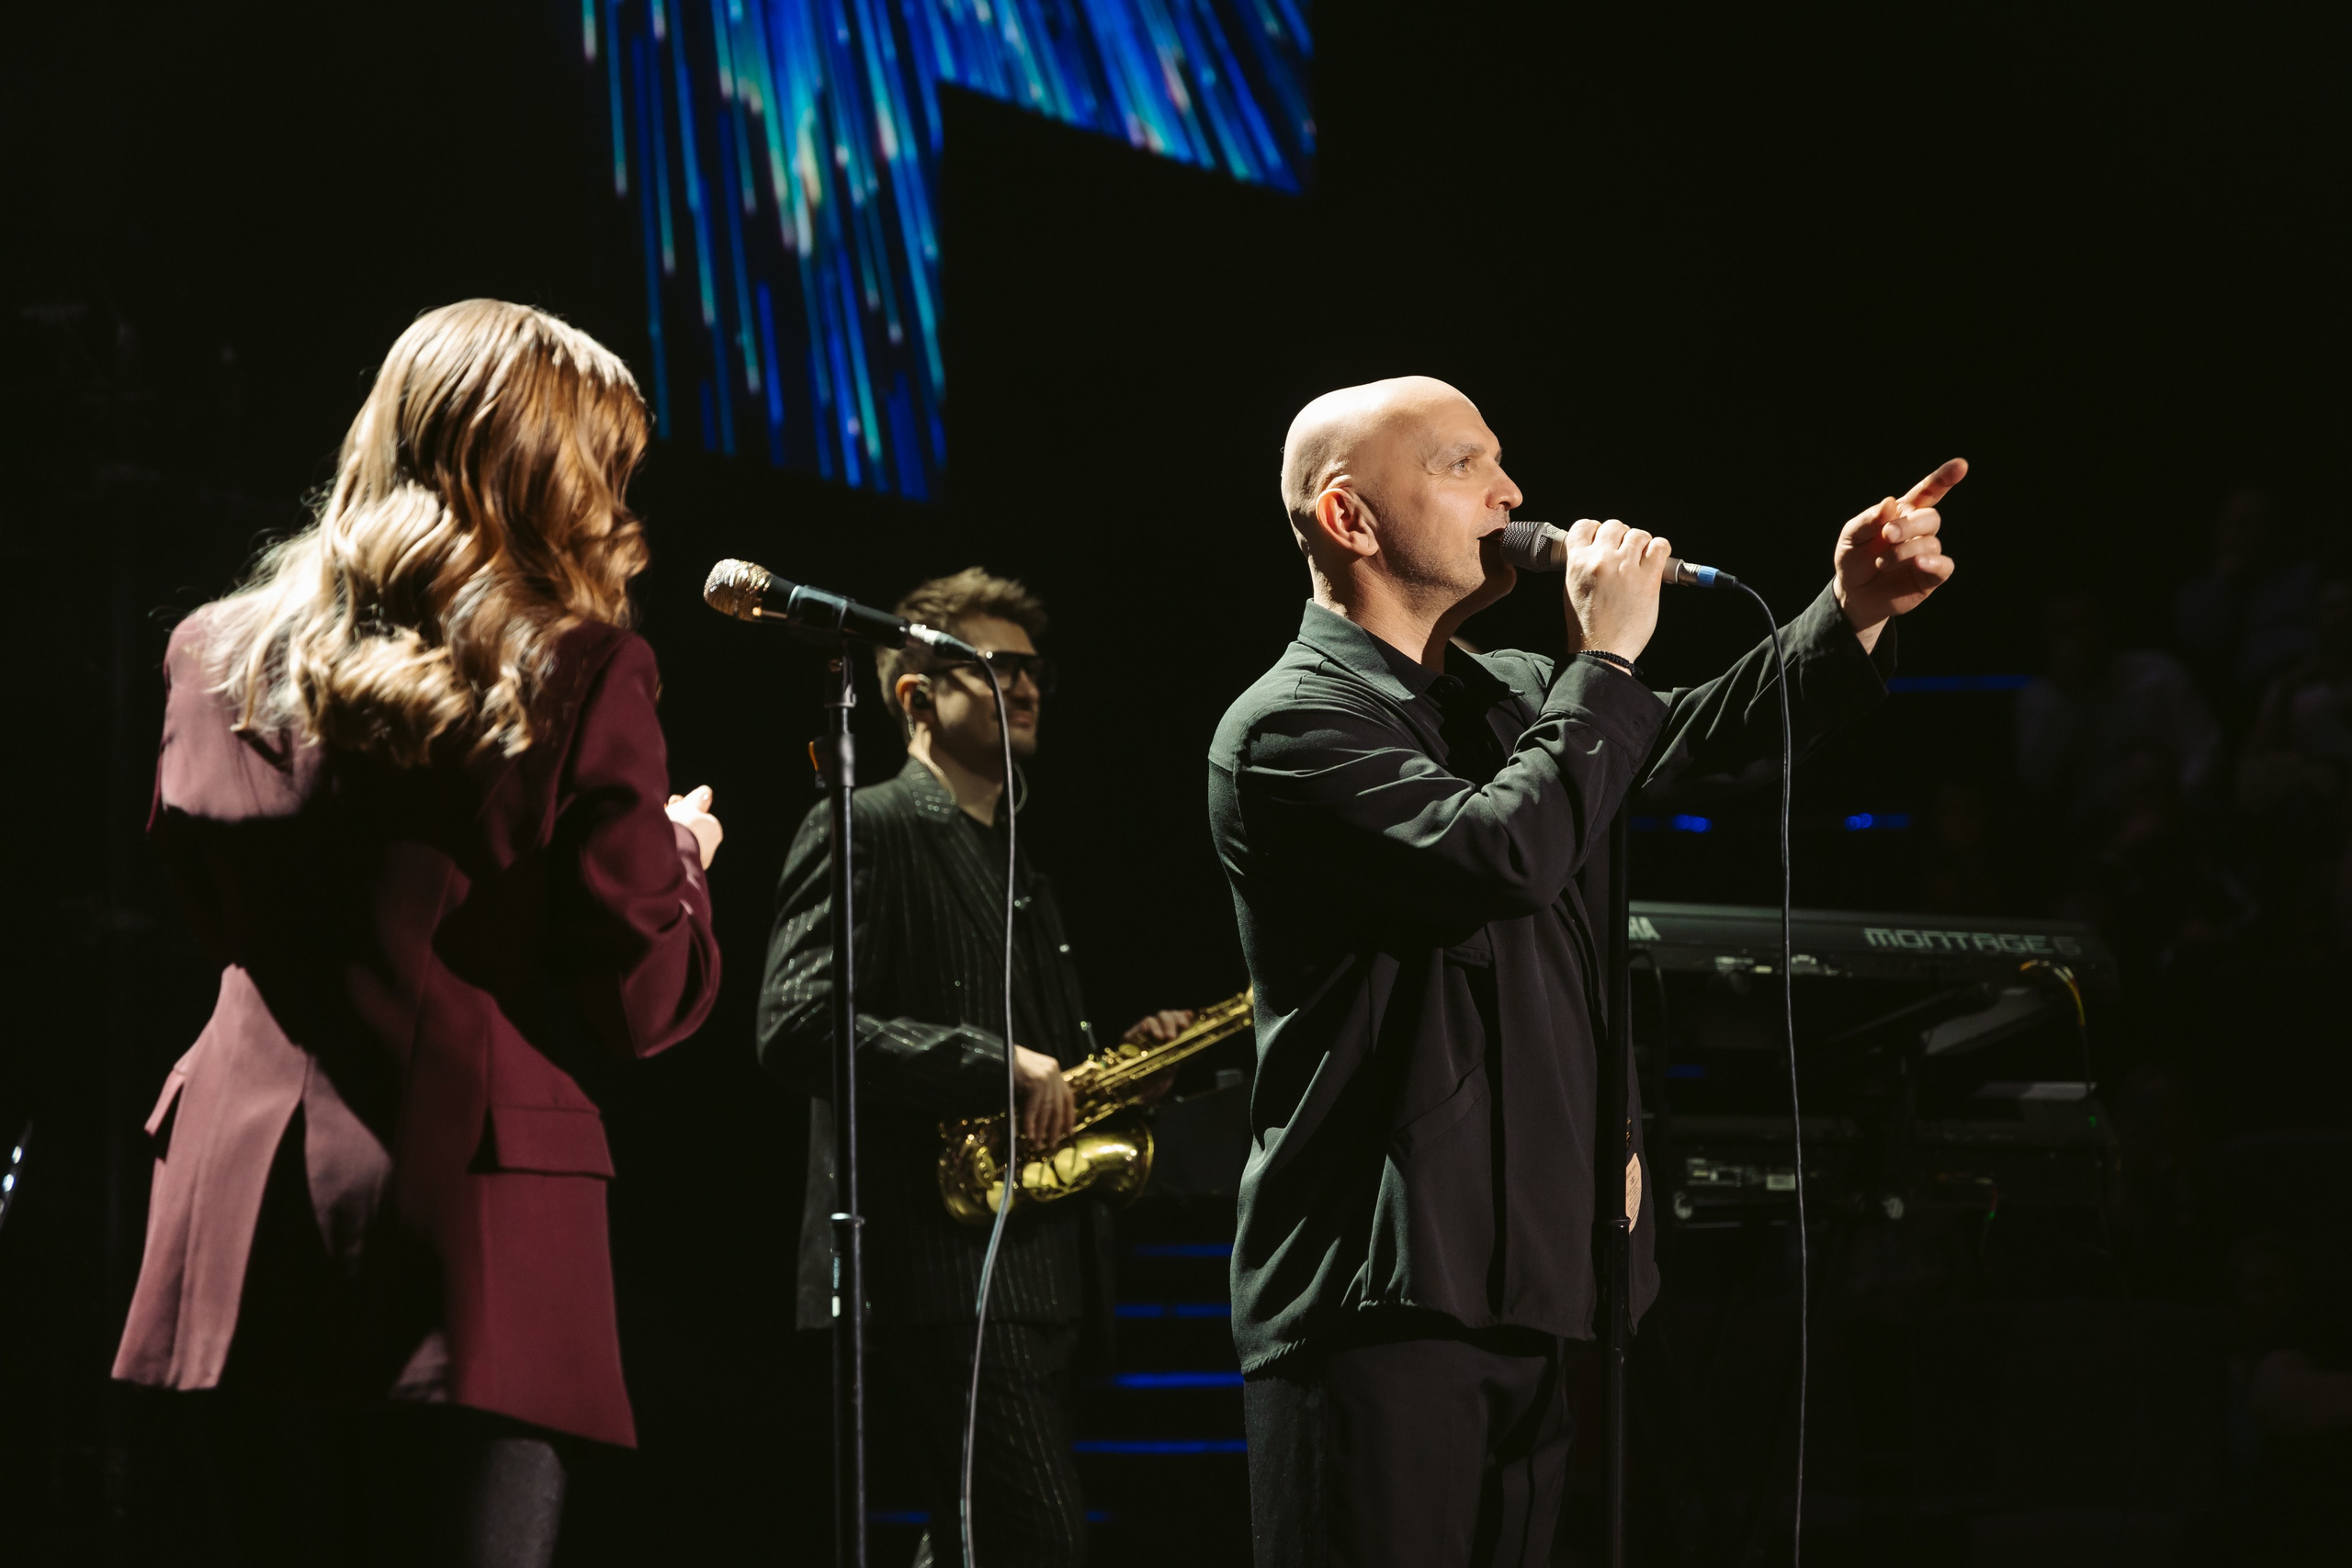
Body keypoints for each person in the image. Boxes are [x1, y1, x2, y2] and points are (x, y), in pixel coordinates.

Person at [1208, 376, 1959, 1567]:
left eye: (1502, 460)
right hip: (1380, 1293)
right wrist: (1604, 658)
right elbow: (1496, 850)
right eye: (1462, 465)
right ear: (1350, 518)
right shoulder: (1293, 725)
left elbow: (1705, 731)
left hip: (1535, 1275)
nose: (1511, 492)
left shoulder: (1511, 692)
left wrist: (1849, 607)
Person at [112, 300, 723, 1567]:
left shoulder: (207, 656)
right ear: (547, 474)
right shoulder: (581, 668)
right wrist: (683, 859)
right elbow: (640, 998)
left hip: (233, 1220)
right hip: (466, 1236)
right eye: (603, 466)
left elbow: (212, 909)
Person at [758, 568, 1191, 1568]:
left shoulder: (1021, 864)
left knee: (971, 1546)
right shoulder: (865, 823)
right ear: (914, 698)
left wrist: (1119, 1066)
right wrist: (996, 1065)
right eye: (996, 669)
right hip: (934, 1270)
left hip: (1040, 1268)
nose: (1028, 687)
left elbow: (1037, 1064)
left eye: (1034, 669)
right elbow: (794, 1023)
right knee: (1036, 1545)